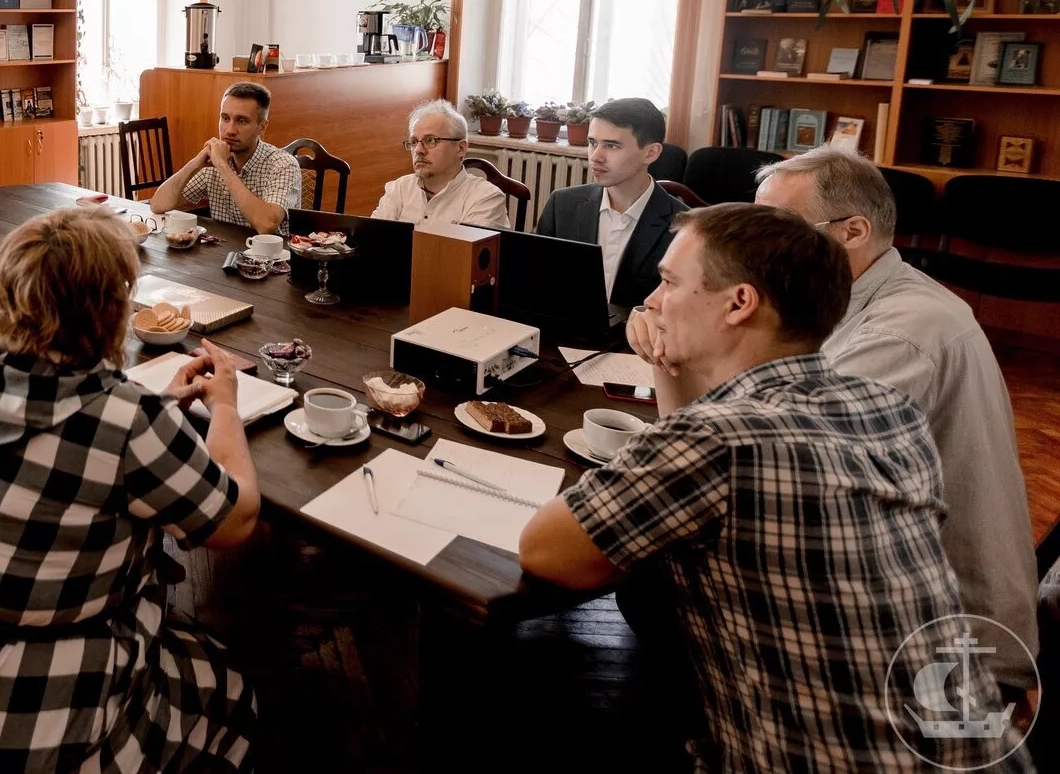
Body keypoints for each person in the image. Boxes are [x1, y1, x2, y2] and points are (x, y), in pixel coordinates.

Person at [520, 203, 1029, 774]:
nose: (654, 302)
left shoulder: (724, 439)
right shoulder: (888, 410)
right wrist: (668, 355)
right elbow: (686, 458)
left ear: (739, 303)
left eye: (667, 283)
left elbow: (547, 551)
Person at [0, 207, 259, 773]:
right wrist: (226, 407)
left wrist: (153, 414)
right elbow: (233, 521)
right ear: (110, 308)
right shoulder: (123, 418)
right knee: (227, 687)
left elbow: (50, 444)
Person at [629, 147, 1039, 696]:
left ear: (852, 232)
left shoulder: (899, 333)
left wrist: (682, 348)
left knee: (652, 581)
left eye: (778, 224)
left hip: (940, 648)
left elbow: (756, 470)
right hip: (867, 589)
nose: (754, 242)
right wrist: (672, 345)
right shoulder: (824, 302)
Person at [535, 96, 686, 323]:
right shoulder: (562, 205)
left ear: (651, 153)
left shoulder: (684, 228)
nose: (596, 156)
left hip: (636, 350)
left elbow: (678, 316)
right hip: (562, 335)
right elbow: (535, 285)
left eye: (612, 146)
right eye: (592, 143)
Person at [148, 81, 301, 234]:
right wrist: (195, 164)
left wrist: (223, 166)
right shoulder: (214, 160)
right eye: (225, 118)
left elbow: (266, 224)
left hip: (272, 257)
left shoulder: (284, 165)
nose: (230, 130)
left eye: (241, 121)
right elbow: (158, 205)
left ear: (262, 126)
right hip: (223, 254)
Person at [370, 99, 510, 229]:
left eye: (430, 140)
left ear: (460, 148)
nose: (418, 150)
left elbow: (464, 254)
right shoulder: (399, 188)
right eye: (413, 142)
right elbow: (372, 240)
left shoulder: (485, 198)